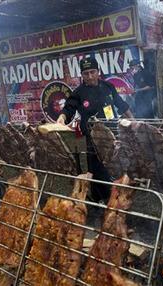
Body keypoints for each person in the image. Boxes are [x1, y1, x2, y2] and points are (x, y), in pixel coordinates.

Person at [57, 57, 133, 202]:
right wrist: (62, 117)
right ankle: (105, 200)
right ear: (82, 75)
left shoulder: (108, 87)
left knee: (116, 166)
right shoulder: (79, 92)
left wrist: (134, 122)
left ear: (98, 72)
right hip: (92, 139)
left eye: (92, 72)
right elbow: (69, 108)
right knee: (98, 171)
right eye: (86, 74)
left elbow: (121, 104)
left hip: (112, 134)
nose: (90, 76)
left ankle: (110, 195)